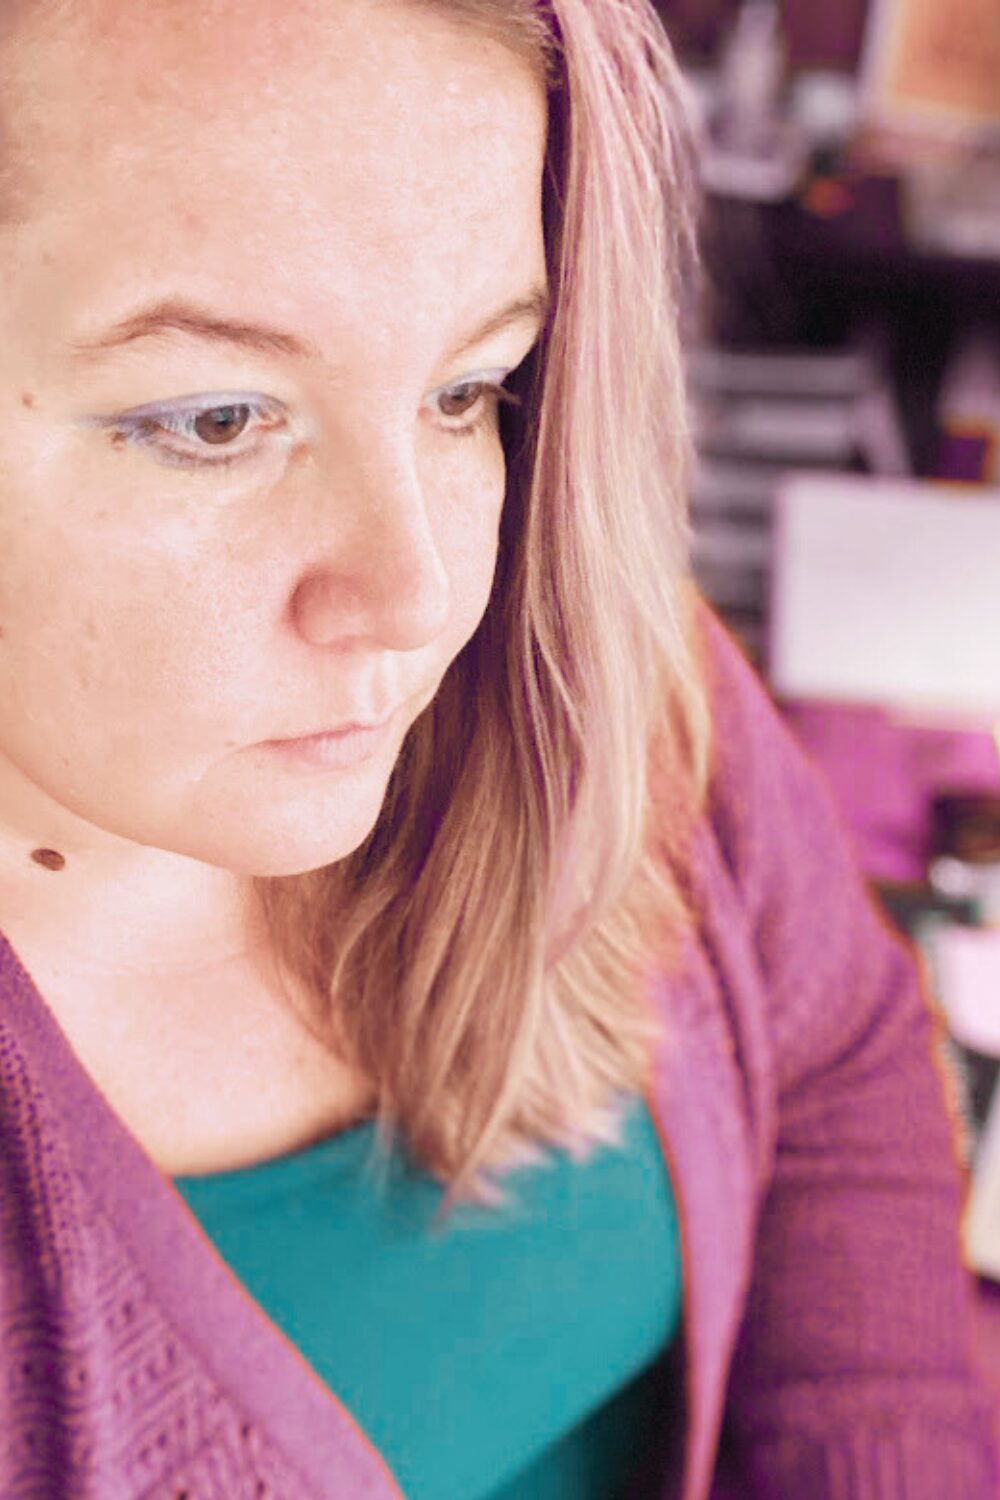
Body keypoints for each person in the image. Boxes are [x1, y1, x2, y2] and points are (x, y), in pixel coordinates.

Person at [0, 0, 996, 1496]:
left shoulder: (580, 646)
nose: (422, 595)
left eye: (468, 392)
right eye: (214, 418)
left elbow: (834, 1054)